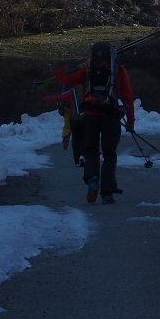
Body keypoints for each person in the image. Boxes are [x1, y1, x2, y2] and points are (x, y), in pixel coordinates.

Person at [53, 41, 135, 204]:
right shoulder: (118, 71)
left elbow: (68, 80)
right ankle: (107, 193)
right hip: (111, 116)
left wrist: (57, 71)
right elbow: (128, 98)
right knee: (109, 154)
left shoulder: (87, 69)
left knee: (90, 150)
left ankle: (92, 179)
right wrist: (131, 121)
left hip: (90, 116)